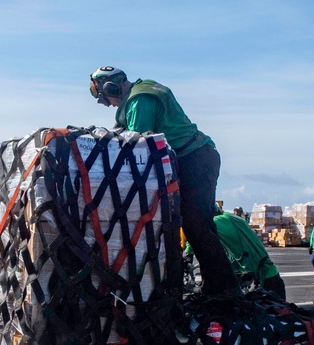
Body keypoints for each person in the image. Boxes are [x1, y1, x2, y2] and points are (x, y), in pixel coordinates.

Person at [89, 66, 238, 296]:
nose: (111, 104)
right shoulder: (142, 90)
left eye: (107, 99)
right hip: (194, 159)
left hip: (195, 159)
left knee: (195, 223)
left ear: (110, 87)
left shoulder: (140, 100)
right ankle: (217, 286)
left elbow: (135, 146)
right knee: (195, 225)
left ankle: (225, 289)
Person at [186, 203, 286, 299]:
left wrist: (188, 254)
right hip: (265, 278)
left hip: (264, 280)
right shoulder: (232, 219)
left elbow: (199, 230)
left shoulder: (222, 221)